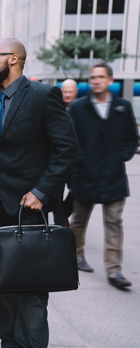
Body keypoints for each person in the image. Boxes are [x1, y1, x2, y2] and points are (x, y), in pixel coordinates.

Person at [0, 38, 78, 348]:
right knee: (1, 282)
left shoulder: (43, 96)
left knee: (32, 287)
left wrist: (42, 191)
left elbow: (67, 149)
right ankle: (9, 342)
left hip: (30, 210)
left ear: (14, 60)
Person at [68, 63, 139, 287]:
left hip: (113, 175)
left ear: (110, 80)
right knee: (78, 221)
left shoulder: (122, 107)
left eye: (100, 77)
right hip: (85, 175)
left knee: (114, 222)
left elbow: (131, 138)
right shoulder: (78, 108)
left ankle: (114, 271)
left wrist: (121, 156)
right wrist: (79, 163)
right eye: (92, 78)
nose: (95, 81)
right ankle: (77, 255)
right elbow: (70, 141)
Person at [52, 79, 79, 227]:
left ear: (76, 92)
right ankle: (60, 226)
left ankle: (64, 214)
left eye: (70, 91)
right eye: (65, 91)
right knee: (56, 194)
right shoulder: (55, 107)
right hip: (57, 160)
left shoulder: (81, 109)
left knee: (76, 191)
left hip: (76, 162)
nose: (67, 94)